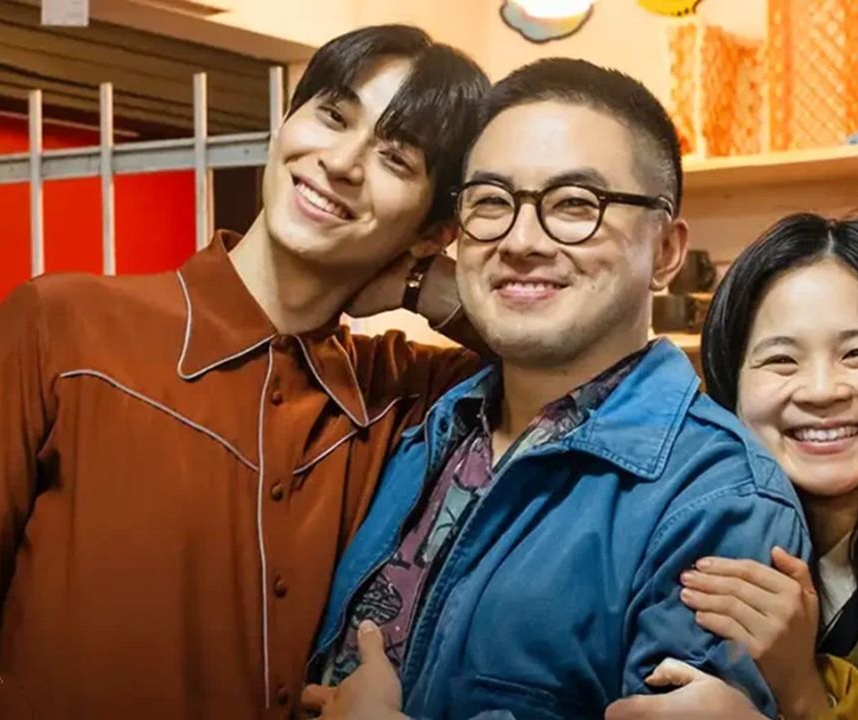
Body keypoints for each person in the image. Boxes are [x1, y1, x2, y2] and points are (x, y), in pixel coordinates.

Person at [0, 25, 490, 720]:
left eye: (396, 159)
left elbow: (582, 367)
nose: (341, 163)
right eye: (333, 116)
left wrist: (429, 287)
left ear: (433, 231)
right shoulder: (64, 327)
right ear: (285, 123)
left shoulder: (401, 396)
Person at [300, 58, 810, 720]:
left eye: (575, 205)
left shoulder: (716, 498)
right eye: (491, 202)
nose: (520, 240)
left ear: (665, 251)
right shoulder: (430, 424)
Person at [606, 211, 858, 720]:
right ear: (731, 386)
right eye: (781, 359)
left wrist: (800, 691)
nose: (821, 391)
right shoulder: (685, 550)